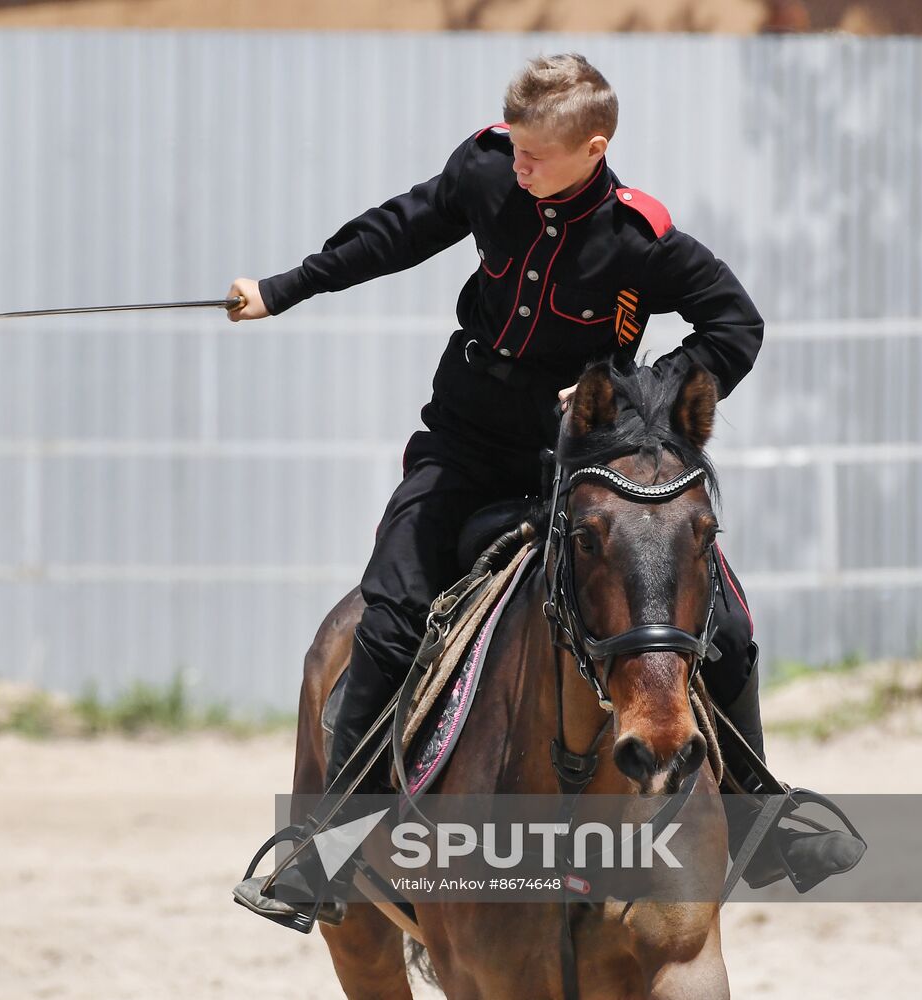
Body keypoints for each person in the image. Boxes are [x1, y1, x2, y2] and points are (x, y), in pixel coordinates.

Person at [230, 53, 863, 927]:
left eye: (536, 156)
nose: (518, 168)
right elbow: (398, 229)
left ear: (592, 148)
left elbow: (736, 324)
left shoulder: (642, 241)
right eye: (515, 149)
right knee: (391, 608)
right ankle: (335, 834)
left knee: (724, 619)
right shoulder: (489, 167)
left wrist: (640, 394)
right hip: (462, 445)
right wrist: (282, 288)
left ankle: (759, 811)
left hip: (579, 462)